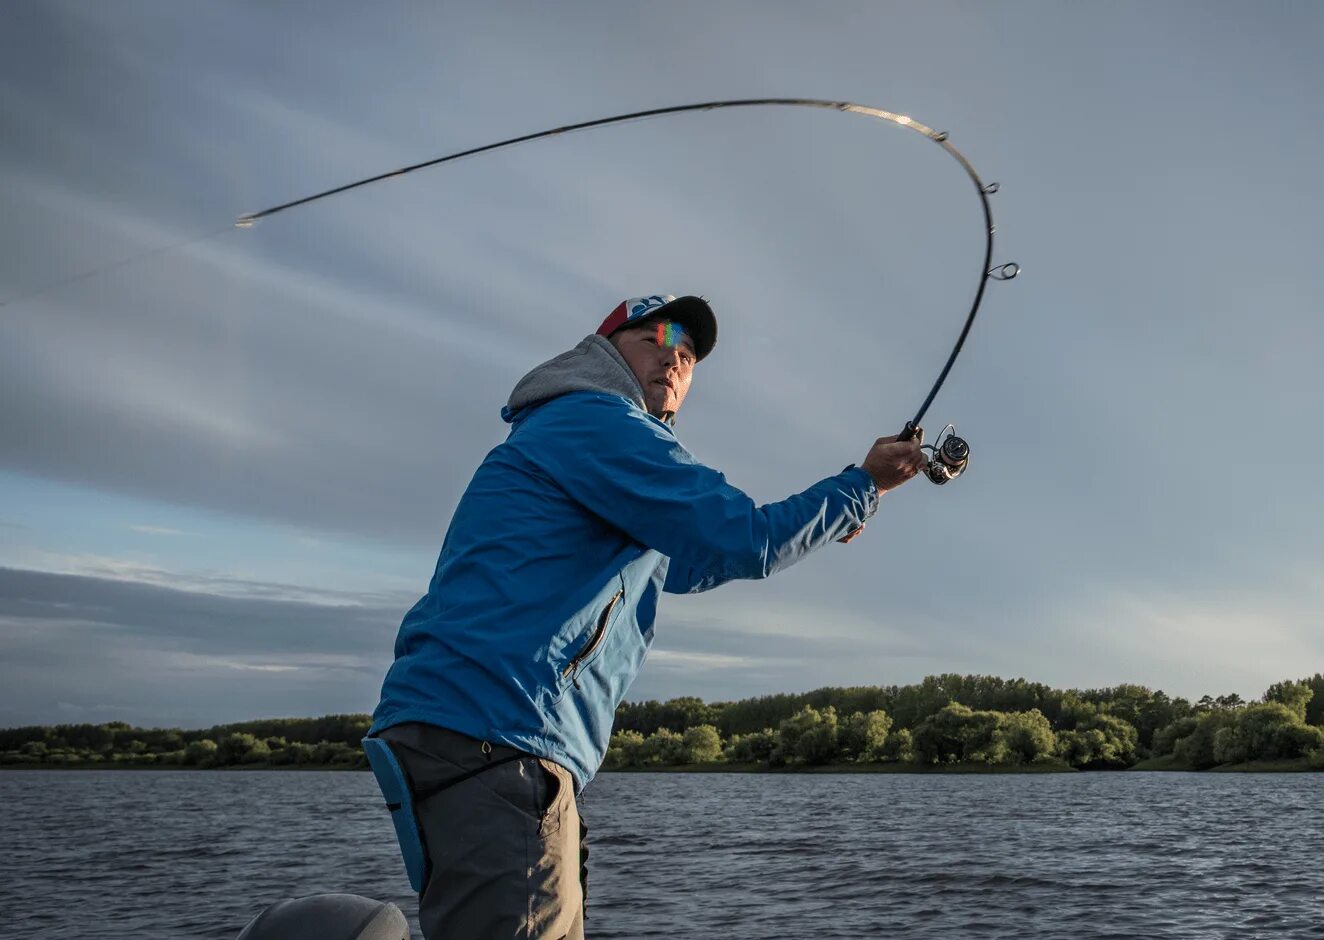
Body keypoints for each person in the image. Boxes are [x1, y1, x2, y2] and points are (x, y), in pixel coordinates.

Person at [367, 294, 926, 939]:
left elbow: (685, 562)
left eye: (688, 354)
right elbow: (745, 539)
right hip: (500, 734)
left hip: (482, 734)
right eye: (655, 338)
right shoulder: (594, 419)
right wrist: (862, 484)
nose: (673, 357)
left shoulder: (576, 436)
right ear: (604, 350)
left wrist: (837, 513)